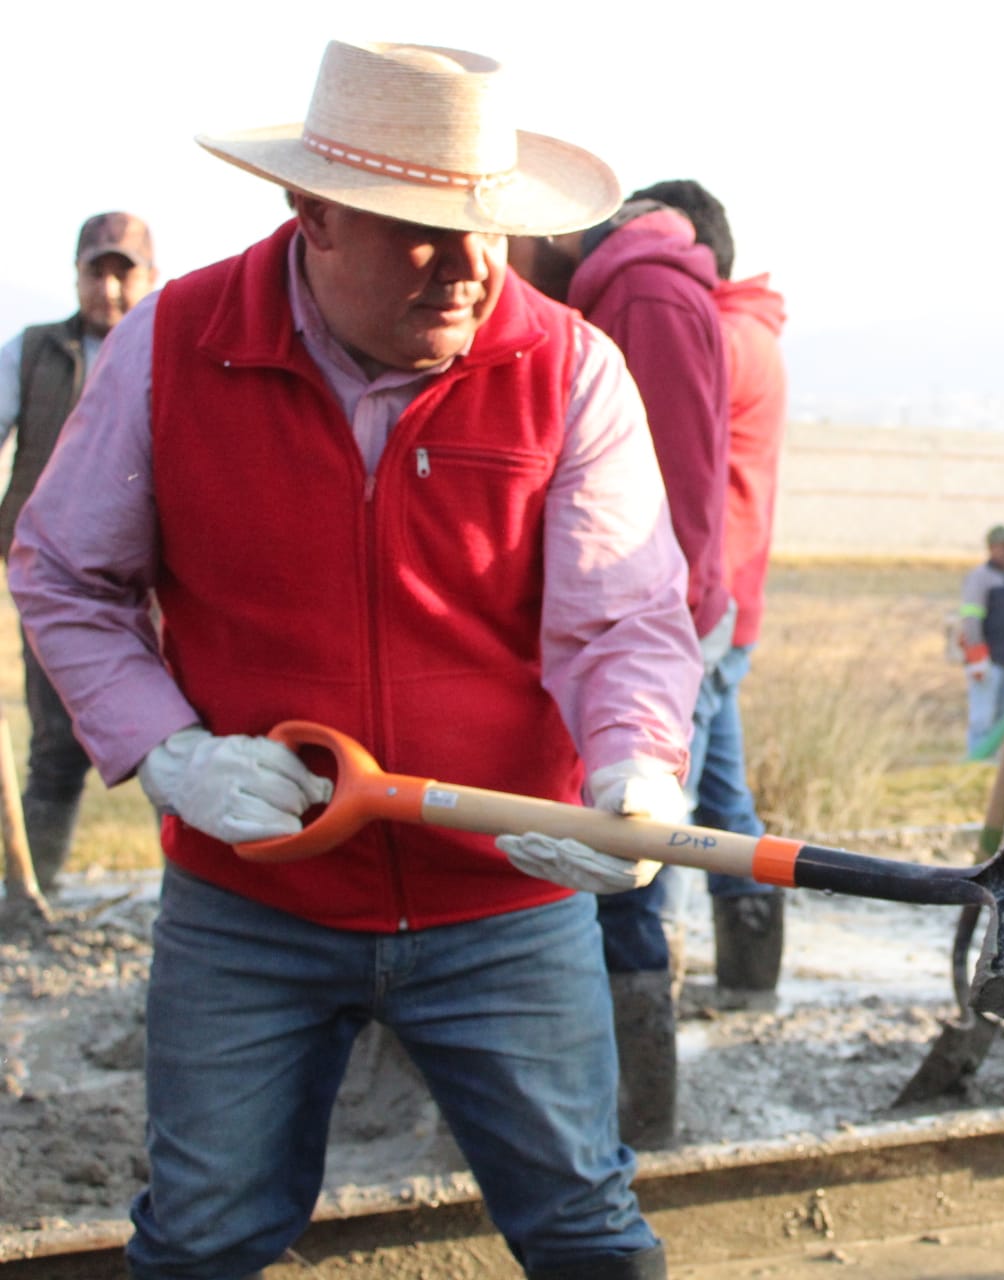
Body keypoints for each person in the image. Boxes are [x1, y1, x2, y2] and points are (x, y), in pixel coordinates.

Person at [7, 40, 700, 1280]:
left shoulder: (568, 369)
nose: (471, 266)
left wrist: (635, 774)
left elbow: (623, 619)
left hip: (502, 896)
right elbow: (65, 573)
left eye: (485, 226)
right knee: (203, 1233)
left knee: (585, 1229)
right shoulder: (174, 346)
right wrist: (169, 752)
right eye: (421, 229)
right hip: (253, 900)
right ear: (312, 211)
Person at [508, 192, 735, 1145]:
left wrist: (640, 677)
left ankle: (643, 1113)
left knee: (628, 862)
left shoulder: (641, 298)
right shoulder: (625, 292)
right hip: (644, 632)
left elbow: (664, 503)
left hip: (647, 638)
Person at [627, 178, 790, 1008]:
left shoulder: (717, 334)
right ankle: (751, 969)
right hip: (730, 603)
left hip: (703, 604)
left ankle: (658, 967)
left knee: (667, 794)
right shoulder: (746, 329)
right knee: (722, 793)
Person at [0, 212, 158, 894]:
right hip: (56, 580)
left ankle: (192, 895)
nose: (111, 288)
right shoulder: (35, 352)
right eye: (98, 271)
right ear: (77, 275)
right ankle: (30, 897)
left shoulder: (173, 347)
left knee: (174, 736)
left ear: (150, 277)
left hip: (159, 584)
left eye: (124, 273)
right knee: (56, 748)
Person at [960, 524, 1004, 754]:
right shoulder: (980, 578)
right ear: (992, 548)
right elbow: (971, 619)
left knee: (1001, 719)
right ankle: (977, 760)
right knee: (982, 718)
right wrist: (977, 658)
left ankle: (994, 764)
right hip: (987, 661)